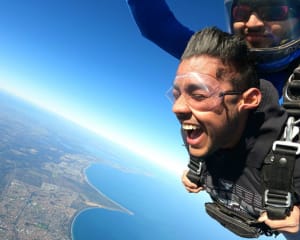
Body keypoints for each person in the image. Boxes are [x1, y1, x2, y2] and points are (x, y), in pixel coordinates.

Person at [169, 26, 300, 239]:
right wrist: (196, 172)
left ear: (247, 100)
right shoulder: (198, 133)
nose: (178, 108)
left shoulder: (294, 161)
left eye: (200, 95)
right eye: (177, 95)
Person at [127, 0, 300, 98]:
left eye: (274, 12)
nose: (252, 23)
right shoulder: (220, 56)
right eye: (241, 13)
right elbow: (157, 27)